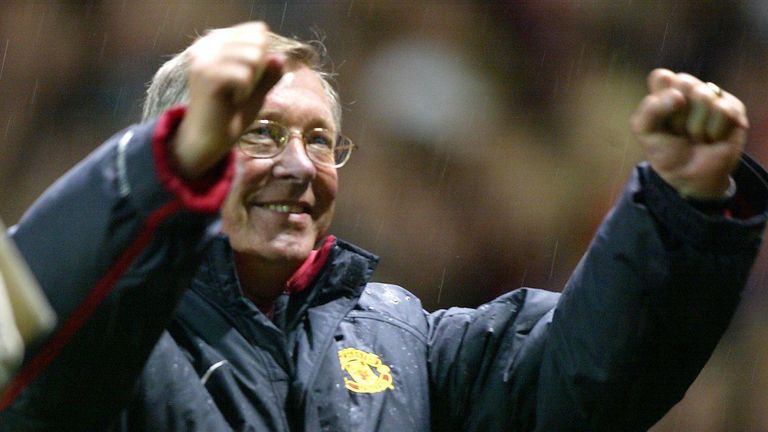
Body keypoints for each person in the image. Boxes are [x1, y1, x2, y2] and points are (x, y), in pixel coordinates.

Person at [0, 21, 767, 431]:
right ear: (189, 146)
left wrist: (679, 205)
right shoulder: (122, 337)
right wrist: (159, 168)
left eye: (321, 140)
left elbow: (588, 376)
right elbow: (28, 327)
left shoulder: (406, 341)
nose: (301, 166)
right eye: (261, 133)